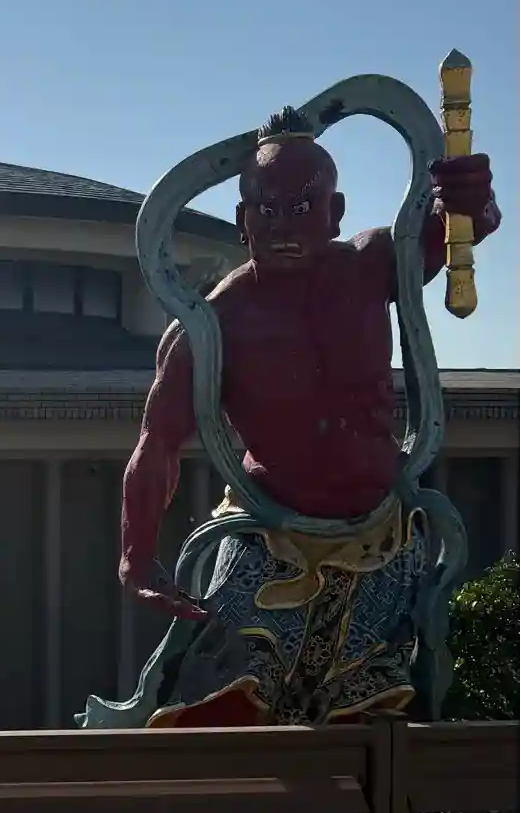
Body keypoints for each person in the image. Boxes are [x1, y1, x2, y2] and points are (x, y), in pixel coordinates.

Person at [119, 108, 499, 725]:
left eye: (302, 206)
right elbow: (156, 442)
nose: (283, 226)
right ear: (242, 220)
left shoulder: (375, 264)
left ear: (335, 211)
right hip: (268, 531)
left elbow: (461, 226)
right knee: (219, 708)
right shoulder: (211, 324)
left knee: (374, 718)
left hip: (380, 532)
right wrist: (135, 556)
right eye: (266, 210)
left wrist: (470, 195)